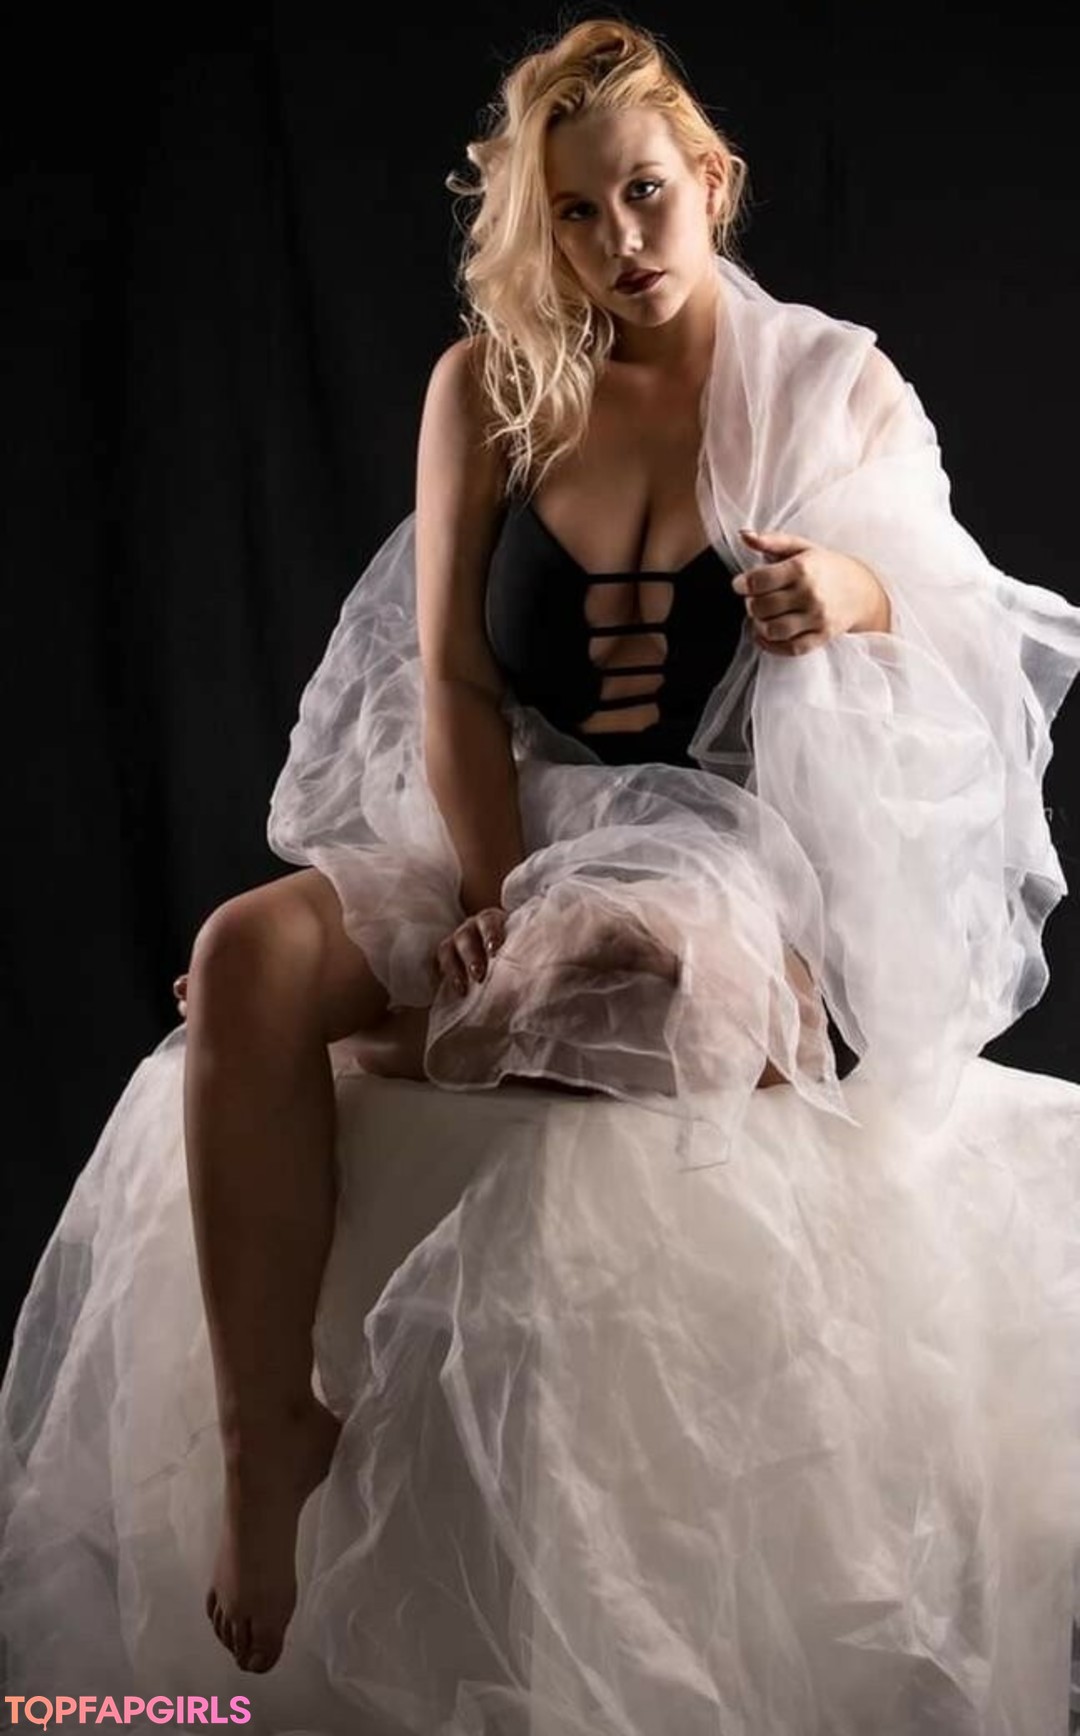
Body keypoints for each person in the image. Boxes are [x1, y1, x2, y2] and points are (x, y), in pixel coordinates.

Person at [5, 18, 1080, 1734]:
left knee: (637, 978)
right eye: (574, 213)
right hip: (514, 820)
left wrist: (845, 595)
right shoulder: (493, 391)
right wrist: (495, 892)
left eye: (644, 195)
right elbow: (451, 678)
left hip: (726, 851)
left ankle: (428, 1031)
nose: (617, 242)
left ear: (711, 181)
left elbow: (953, 611)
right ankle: (269, 1433)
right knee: (251, 954)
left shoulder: (828, 387)